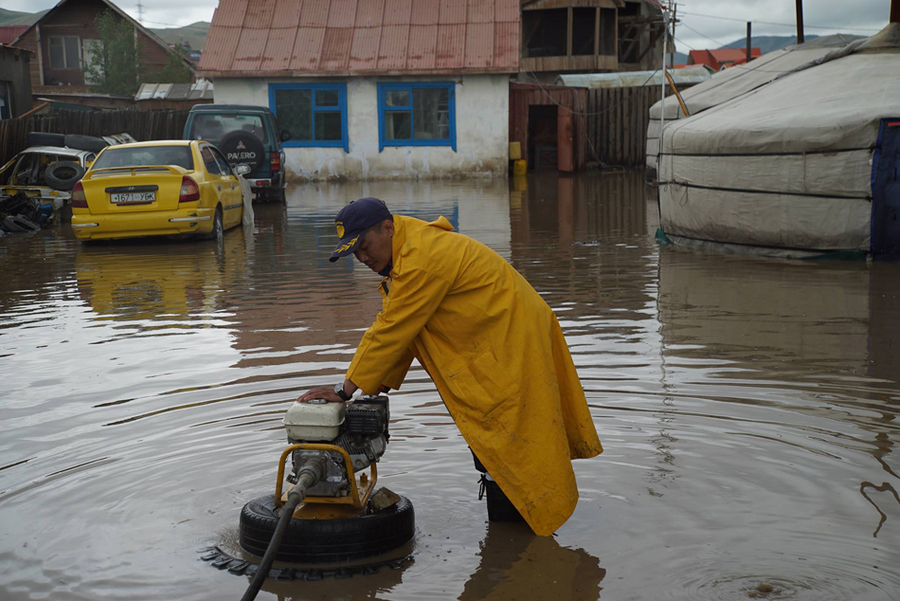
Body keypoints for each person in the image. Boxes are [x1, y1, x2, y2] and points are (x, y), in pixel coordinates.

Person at [298, 197, 602, 536]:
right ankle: (513, 532)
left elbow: (392, 328)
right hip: (499, 342)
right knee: (498, 445)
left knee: (512, 443)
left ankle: (518, 544)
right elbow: (407, 329)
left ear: (388, 228)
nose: (363, 258)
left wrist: (346, 389)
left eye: (366, 247)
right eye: (355, 253)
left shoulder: (421, 261)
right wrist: (377, 382)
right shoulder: (410, 253)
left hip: (512, 347)